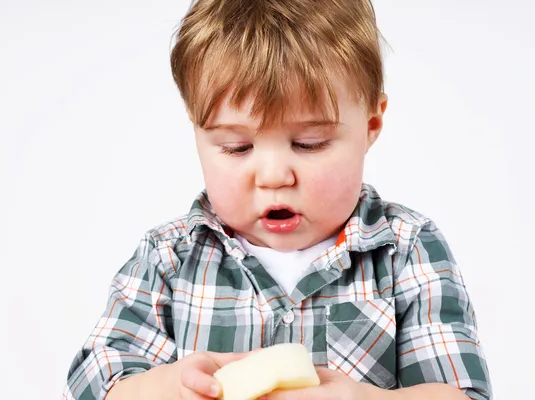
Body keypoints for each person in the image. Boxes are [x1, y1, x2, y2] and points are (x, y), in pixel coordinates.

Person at [64, 0, 491, 398]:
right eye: (236, 146)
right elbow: (99, 378)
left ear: (371, 125)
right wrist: (175, 385)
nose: (273, 176)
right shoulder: (170, 256)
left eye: (309, 143)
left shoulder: (405, 251)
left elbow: (461, 391)